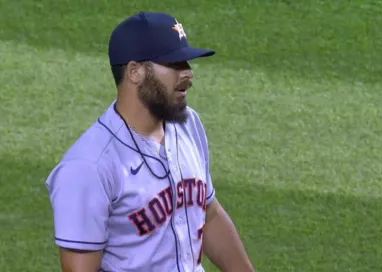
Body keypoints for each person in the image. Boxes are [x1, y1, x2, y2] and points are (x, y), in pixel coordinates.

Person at [45, 11, 254, 272]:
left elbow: (208, 214)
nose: (188, 73)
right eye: (175, 64)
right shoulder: (89, 166)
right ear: (135, 72)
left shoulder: (188, 124)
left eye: (187, 62)